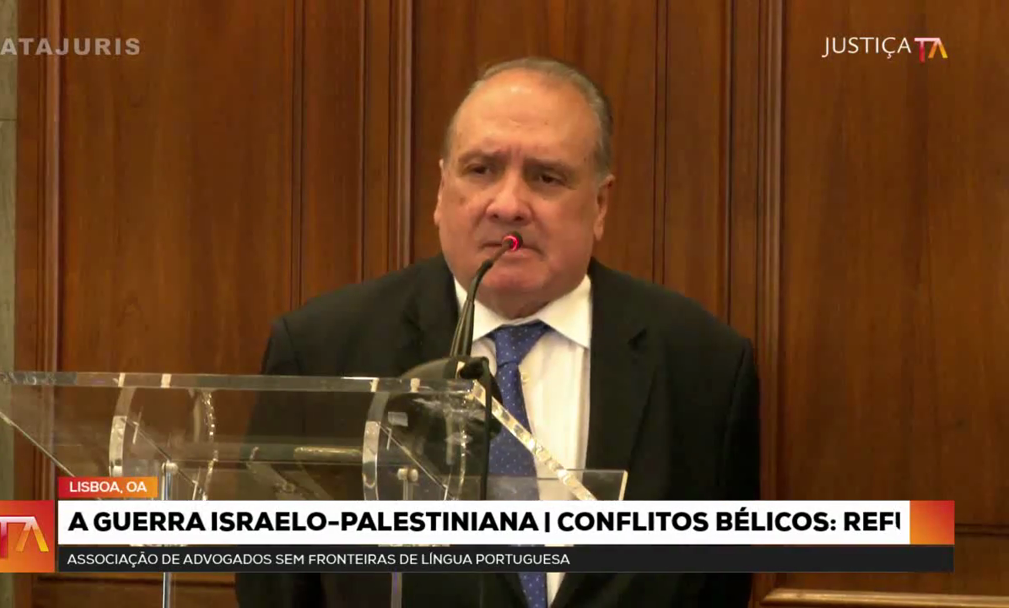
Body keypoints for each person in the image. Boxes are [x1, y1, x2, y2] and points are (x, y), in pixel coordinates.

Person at [235, 56, 760, 607]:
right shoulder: (322, 350)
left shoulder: (704, 366)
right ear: (442, 190)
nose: (508, 205)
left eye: (546, 177)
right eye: (481, 170)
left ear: (600, 204)